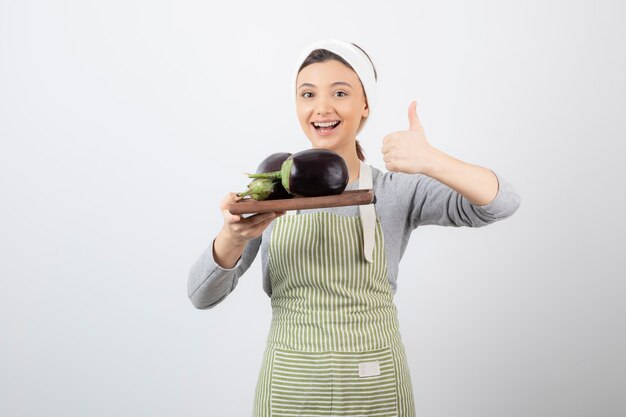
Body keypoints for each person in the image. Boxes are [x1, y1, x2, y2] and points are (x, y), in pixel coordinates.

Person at [188, 39, 521, 417]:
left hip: (376, 387)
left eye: (340, 92)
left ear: (365, 105)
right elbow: (202, 296)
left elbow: (501, 203)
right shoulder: (271, 192)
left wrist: (432, 160)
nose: (322, 108)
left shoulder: (394, 190)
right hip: (289, 389)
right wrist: (231, 236)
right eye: (307, 93)